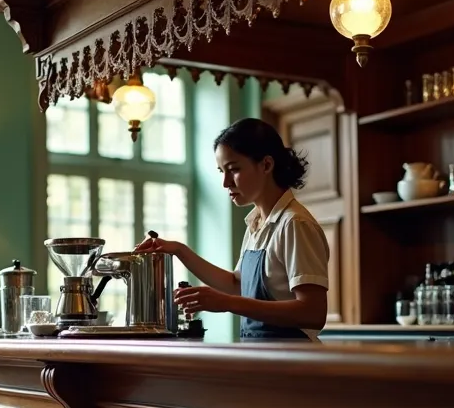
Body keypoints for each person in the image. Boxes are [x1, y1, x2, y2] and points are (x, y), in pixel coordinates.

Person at [136, 118, 330, 340]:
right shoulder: (257, 224)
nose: (226, 183)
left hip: (293, 367)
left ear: (266, 165)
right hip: (263, 365)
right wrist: (180, 250)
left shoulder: (295, 224)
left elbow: (313, 313)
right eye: (222, 171)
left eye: (234, 169)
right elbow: (237, 285)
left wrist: (227, 303)